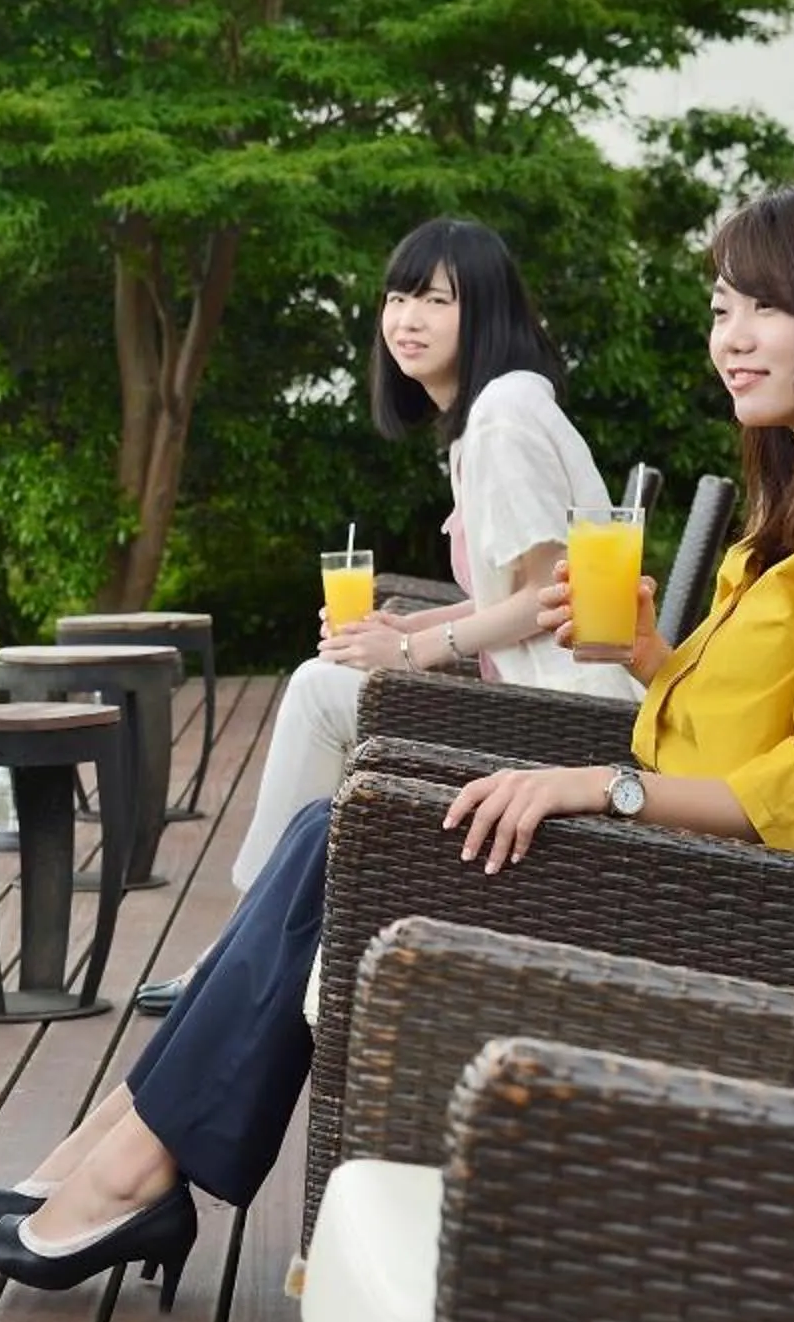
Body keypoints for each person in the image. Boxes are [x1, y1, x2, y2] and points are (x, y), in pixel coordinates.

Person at [0, 178, 794, 1307]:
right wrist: (656, 657)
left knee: (346, 839)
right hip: (692, 858)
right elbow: (753, 720)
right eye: (720, 309)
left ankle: (128, 1164)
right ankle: (125, 1151)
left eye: (765, 309)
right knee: (331, 829)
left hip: (745, 906)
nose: (730, 339)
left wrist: (603, 789)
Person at [132, 217, 636, 1017]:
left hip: (569, 727)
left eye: (436, 300)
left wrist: (414, 654)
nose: (407, 319)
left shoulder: (503, 420)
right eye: (398, 298)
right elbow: (521, 587)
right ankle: (253, 946)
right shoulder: (493, 414)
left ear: (487, 310)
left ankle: (240, 949)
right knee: (330, 681)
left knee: (318, 688)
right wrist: (409, 632)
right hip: (544, 707)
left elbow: (549, 600)